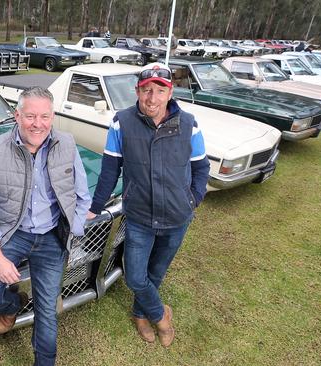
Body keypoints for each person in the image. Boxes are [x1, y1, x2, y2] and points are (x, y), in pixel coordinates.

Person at [86, 63, 210, 347]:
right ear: (137, 92)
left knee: (156, 272)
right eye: (146, 90)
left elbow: (202, 168)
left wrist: (193, 200)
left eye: (159, 90)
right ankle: (161, 315)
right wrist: (95, 206)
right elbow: (109, 171)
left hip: (178, 218)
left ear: (170, 93)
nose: (151, 98)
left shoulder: (189, 124)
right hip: (140, 217)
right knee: (135, 276)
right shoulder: (122, 122)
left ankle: (141, 314)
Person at [0, 87, 91, 366]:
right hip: (13, 234)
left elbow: (82, 195)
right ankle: (12, 305)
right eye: (30, 116)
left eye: (45, 116)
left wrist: (73, 229)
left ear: (52, 116)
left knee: (47, 309)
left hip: (52, 237)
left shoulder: (67, 144)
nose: (38, 124)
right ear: (17, 115)